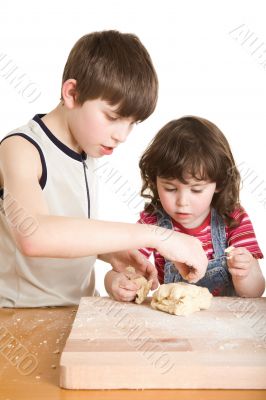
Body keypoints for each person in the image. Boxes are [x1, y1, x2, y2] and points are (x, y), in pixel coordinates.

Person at [0, 32, 208, 307]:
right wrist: (159, 236)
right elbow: (34, 235)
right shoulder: (20, 148)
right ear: (72, 93)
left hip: (75, 311)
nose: (122, 135)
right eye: (113, 117)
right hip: (21, 318)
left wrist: (111, 252)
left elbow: (66, 230)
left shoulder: (85, 150)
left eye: (132, 123)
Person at [105, 116, 265, 300]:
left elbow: (255, 292)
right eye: (170, 188)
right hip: (176, 323)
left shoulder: (233, 218)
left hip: (227, 322)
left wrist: (244, 273)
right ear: (154, 181)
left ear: (219, 183)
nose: (182, 201)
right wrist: (116, 282)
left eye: (196, 190)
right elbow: (121, 267)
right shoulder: (153, 222)